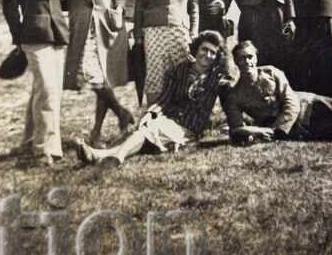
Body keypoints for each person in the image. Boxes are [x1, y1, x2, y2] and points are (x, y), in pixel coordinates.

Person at [75, 31, 228, 167]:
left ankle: (116, 157)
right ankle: (98, 156)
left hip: (189, 127)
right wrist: (150, 113)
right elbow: (163, 100)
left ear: (217, 57)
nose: (207, 55)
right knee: (146, 129)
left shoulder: (216, 78)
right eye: (204, 49)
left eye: (213, 53)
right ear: (197, 49)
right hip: (169, 119)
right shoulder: (179, 70)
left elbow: (230, 90)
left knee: (147, 131)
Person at [2, 0, 69, 165]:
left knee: (43, 90)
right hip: (33, 34)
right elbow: (10, 1)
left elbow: (58, 1)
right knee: (48, 91)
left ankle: (29, 141)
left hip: (56, 34)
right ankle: (44, 149)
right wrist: (17, 34)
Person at [58, 0, 134, 147]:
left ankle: (96, 133)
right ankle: (121, 113)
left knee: (103, 79)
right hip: (82, 29)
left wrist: (118, 11)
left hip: (106, 28)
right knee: (94, 77)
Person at [133, 0, 199, 104]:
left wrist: (193, 32)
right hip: (154, 31)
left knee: (183, 69)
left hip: (180, 31)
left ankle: (182, 110)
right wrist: (138, 36)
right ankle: (154, 112)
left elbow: (193, 8)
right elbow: (139, 6)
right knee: (156, 72)